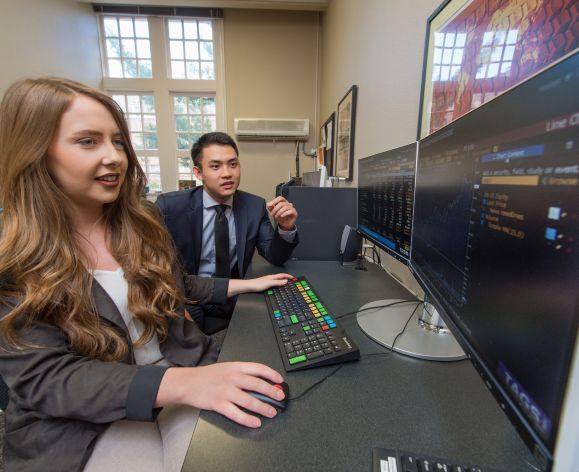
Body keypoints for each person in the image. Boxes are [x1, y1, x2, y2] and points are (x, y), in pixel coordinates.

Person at [0, 77, 290, 472]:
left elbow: (181, 285)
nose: (114, 157)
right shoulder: (13, 258)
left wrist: (253, 284)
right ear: (35, 152)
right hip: (82, 424)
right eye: (88, 141)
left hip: (178, 371)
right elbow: (49, 378)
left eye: (118, 141)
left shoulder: (144, 221)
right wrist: (185, 386)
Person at [156, 132, 299, 333]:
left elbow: (275, 256)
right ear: (198, 173)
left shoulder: (254, 206)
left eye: (233, 164)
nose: (227, 173)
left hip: (234, 299)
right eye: (215, 166)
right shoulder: (170, 207)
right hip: (188, 300)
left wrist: (285, 227)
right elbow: (160, 273)